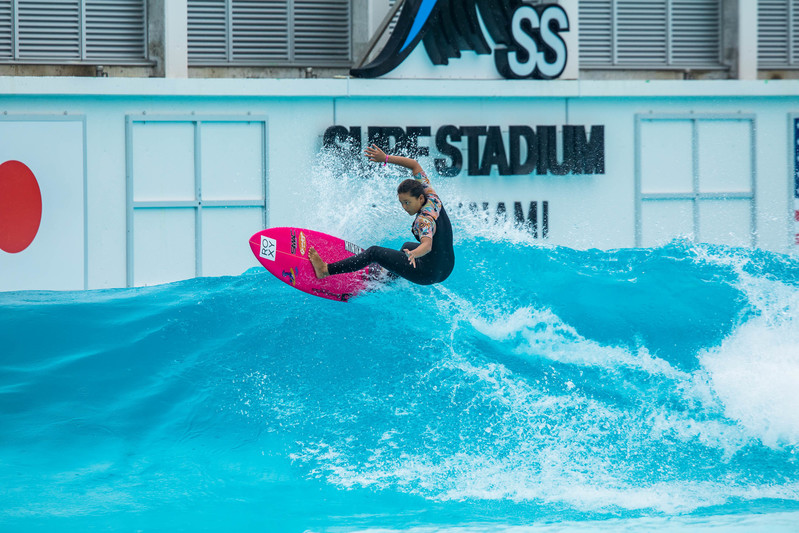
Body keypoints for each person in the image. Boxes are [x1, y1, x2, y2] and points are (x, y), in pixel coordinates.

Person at [309, 144, 454, 286]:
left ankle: (325, 270)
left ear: (420, 199)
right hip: (446, 267)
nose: (404, 207)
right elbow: (414, 164)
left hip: (428, 273)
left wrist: (414, 254)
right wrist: (385, 158)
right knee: (406, 246)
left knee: (374, 252)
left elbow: (427, 245)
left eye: (407, 202)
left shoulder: (423, 221)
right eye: (401, 202)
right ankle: (387, 280)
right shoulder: (431, 195)